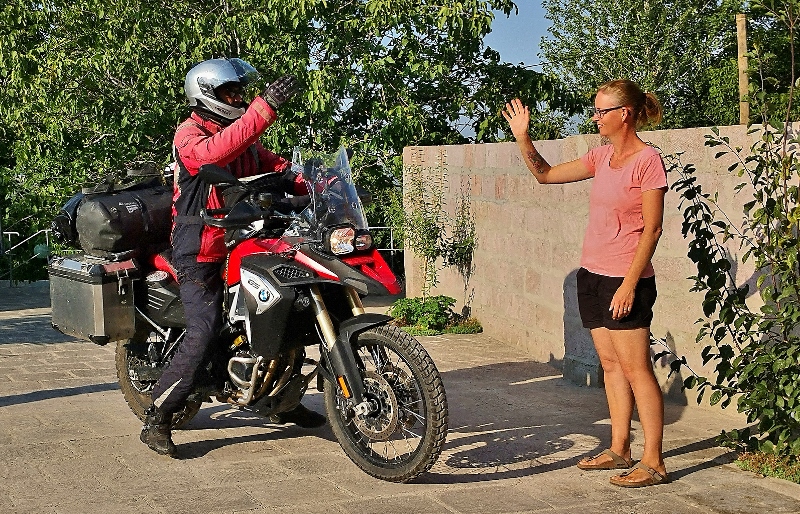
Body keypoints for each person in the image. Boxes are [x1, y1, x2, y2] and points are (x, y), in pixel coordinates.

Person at [140, 57, 325, 458]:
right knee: (205, 329)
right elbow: (213, 154)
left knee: (290, 309)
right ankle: (158, 414)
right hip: (199, 250)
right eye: (231, 93)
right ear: (206, 95)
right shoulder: (190, 134)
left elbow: (275, 166)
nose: (238, 99)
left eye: (241, 93)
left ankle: (283, 400)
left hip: (244, 239)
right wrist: (263, 109)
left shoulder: (243, 140)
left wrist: (315, 180)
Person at [503, 79, 669, 487]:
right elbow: (544, 175)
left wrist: (630, 285)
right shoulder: (600, 157)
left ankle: (654, 461)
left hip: (625, 279)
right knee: (610, 366)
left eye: (601, 111)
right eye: (594, 111)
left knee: (636, 369)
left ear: (624, 114)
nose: (594, 117)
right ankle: (618, 449)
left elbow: (653, 229)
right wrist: (523, 137)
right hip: (592, 276)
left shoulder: (648, 161)